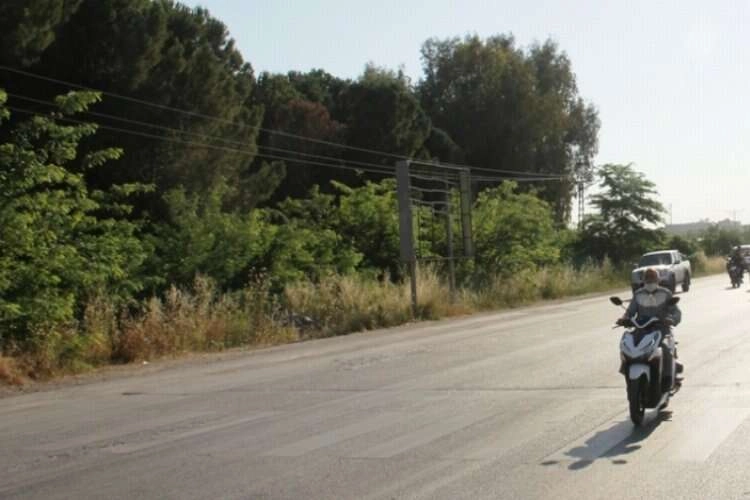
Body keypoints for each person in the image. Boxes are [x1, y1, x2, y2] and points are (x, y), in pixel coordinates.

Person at [618, 267, 684, 386]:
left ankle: (668, 378)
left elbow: (676, 312)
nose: (650, 280)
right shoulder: (638, 294)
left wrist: (671, 319)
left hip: (661, 330)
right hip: (641, 330)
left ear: (658, 279)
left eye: (652, 277)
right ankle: (626, 370)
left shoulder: (666, 293)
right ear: (643, 280)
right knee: (628, 346)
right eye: (647, 278)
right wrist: (624, 319)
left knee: (665, 349)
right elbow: (630, 312)